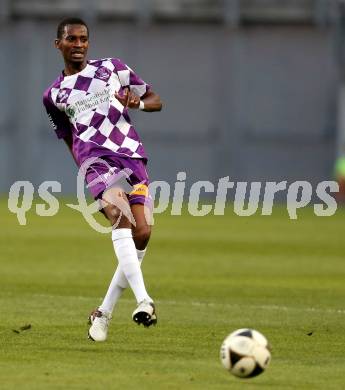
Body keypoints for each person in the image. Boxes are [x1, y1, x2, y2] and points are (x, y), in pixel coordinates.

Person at [43, 17, 162, 342]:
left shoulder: (113, 67)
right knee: (119, 215)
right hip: (96, 162)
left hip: (131, 155)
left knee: (142, 232)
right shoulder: (53, 96)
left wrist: (136, 102)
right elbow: (68, 137)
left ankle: (103, 312)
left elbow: (156, 100)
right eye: (72, 39)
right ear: (59, 45)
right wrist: (85, 171)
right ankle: (144, 301)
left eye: (83, 39)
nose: (79, 44)